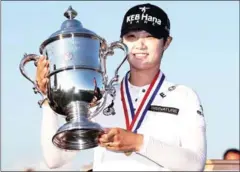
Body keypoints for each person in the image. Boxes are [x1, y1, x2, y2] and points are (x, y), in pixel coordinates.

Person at [36, 3, 207, 171]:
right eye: (131, 37)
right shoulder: (100, 95)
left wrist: (137, 142)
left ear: (166, 42)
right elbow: (55, 159)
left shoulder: (183, 96)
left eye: (150, 36)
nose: (140, 44)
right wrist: (48, 96)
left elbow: (194, 164)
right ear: (121, 43)